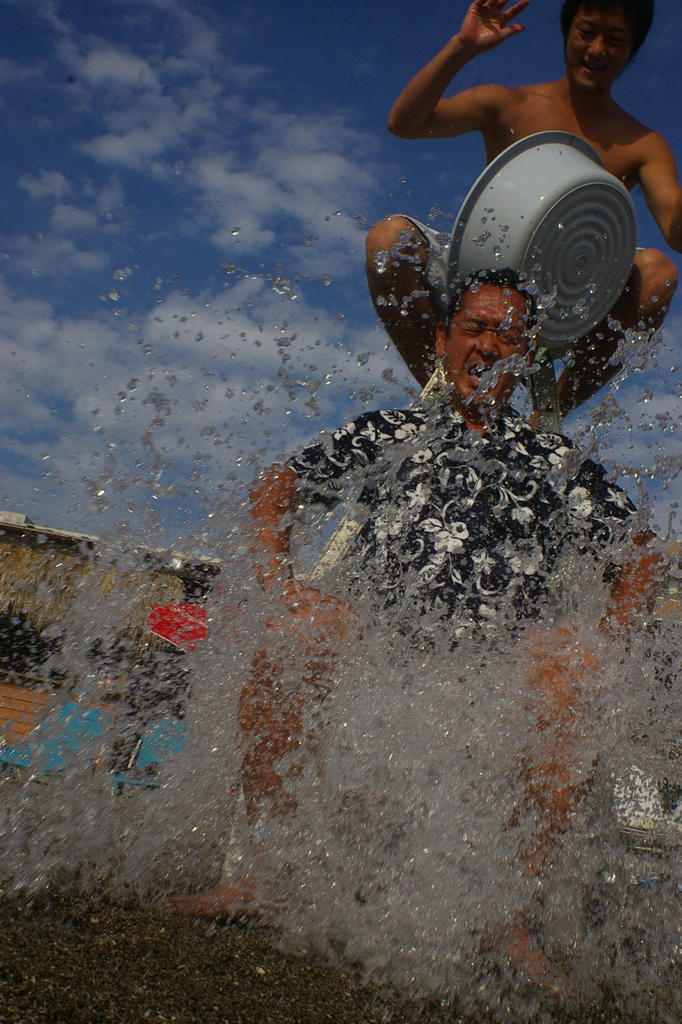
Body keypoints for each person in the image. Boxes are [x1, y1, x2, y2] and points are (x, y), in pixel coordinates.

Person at [166, 270, 663, 994]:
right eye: (475, 328)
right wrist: (279, 589)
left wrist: (610, 638)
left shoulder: (557, 462)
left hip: (493, 684)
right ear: (442, 341)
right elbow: (278, 486)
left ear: (527, 360)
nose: (490, 344)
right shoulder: (392, 433)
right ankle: (263, 878)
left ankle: (509, 920)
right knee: (309, 623)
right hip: (380, 661)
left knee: (571, 665)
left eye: (510, 334)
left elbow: (641, 555)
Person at [366, 0, 681, 416]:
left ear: (632, 50)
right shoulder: (510, 103)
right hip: (475, 275)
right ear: (568, 33)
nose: (598, 48)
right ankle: (451, 398)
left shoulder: (641, 143)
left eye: (616, 39)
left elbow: (675, 230)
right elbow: (405, 124)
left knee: (659, 273)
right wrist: (462, 47)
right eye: (587, 32)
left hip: (563, 306)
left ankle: (541, 421)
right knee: (388, 239)